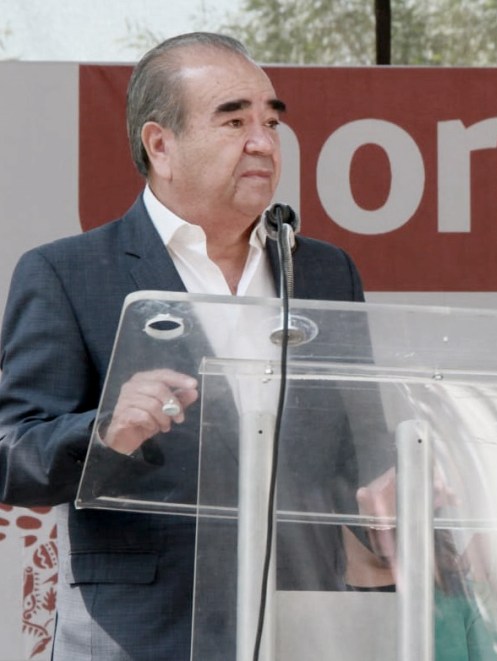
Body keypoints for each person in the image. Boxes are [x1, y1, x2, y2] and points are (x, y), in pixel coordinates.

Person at [0, 32, 371, 660]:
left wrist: (401, 490)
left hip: (300, 628)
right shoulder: (68, 273)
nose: (263, 142)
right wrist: (106, 429)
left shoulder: (324, 273)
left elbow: (360, 450)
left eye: (271, 121)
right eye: (234, 121)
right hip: (141, 634)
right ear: (161, 145)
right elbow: (15, 455)